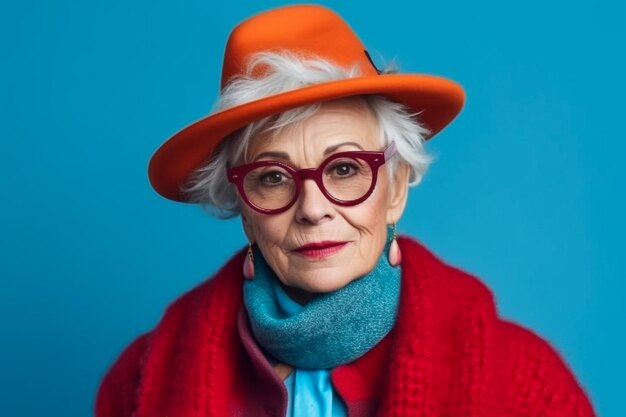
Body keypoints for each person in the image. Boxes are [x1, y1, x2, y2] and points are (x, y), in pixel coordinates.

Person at [95, 4, 596, 417]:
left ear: (395, 187)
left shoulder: (524, 382)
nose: (313, 209)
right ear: (243, 208)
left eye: (344, 169)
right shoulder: (140, 382)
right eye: (272, 178)